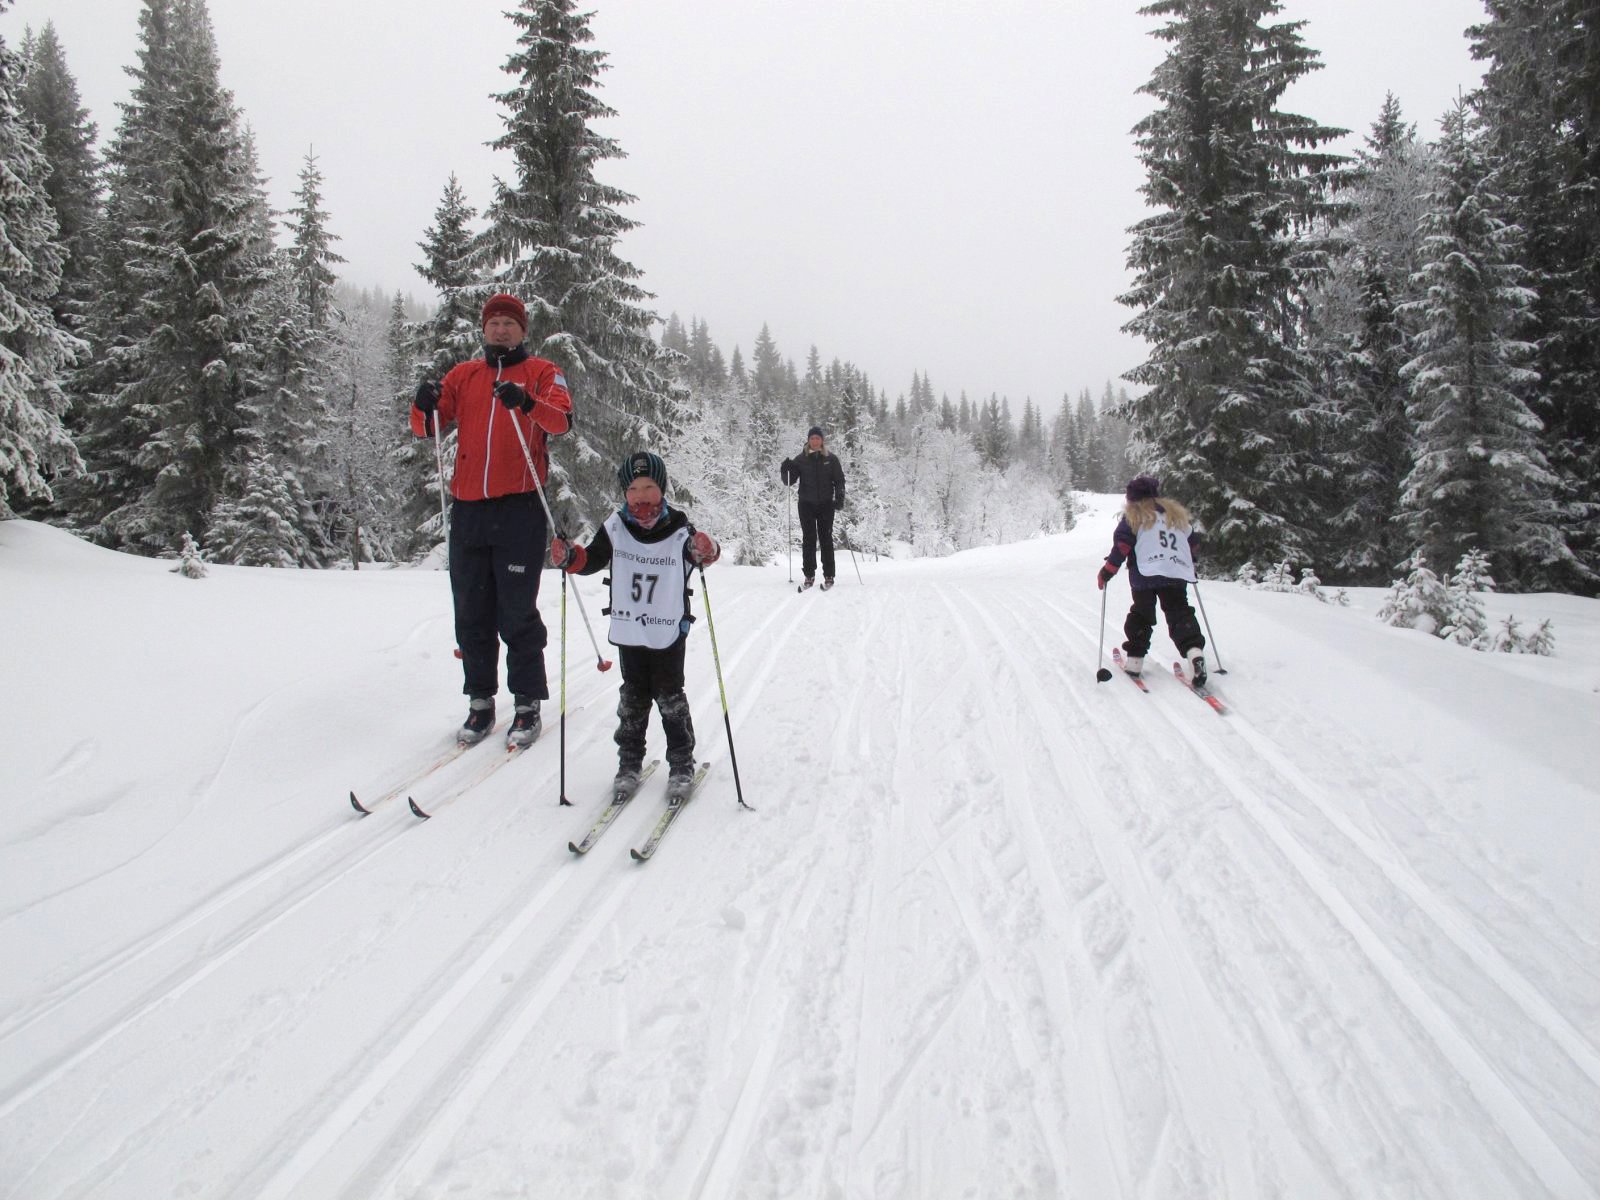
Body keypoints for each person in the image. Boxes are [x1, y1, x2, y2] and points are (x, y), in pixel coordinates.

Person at [411, 293, 573, 748]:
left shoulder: (541, 372)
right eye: (494, 323)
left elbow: (561, 421)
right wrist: (423, 404)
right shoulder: (464, 375)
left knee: (516, 611)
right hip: (468, 510)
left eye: (509, 323)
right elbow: (427, 427)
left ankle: (526, 703)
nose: (500, 330)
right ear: (484, 330)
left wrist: (525, 401)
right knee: (472, 611)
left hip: (519, 508)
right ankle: (480, 701)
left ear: (523, 330)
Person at [549, 451, 721, 804]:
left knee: (670, 696)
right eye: (634, 488)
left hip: (667, 629)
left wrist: (707, 548)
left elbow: (701, 553)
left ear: (662, 488)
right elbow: (592, 558)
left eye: (649, 486)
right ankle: (629, 763)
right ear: (625, 492)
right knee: (633, 696)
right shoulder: (616, 526)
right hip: (630, 628)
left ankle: (681, 763)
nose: (641, 495)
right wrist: (570, 557)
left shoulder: (678, 527)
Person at [1097, 474, 1208, 685]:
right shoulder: (1175, 515)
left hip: (1145, 574)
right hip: (1175, 572)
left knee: (1142, 613)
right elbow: (1193, 543)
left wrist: (1107, 570)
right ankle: (1194, 653)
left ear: (1132, 498)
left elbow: (1122, 546)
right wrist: (1188, 561)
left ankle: (1135, 661)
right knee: (1179, 612)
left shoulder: (1134, 516)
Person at [780, 425, 846, 589]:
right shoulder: (801, 459)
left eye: (817, 438)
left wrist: (839, 497)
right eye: (812, 438)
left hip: (826, 505)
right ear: (808, 441)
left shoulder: (831, 459)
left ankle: (829, 575)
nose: (815, 441)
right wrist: (785, 470)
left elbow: (839, 480)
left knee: (826, 539)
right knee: (808, 540)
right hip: (806, 504)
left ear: (822, 440)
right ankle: (809, 575)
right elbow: (789, 481)